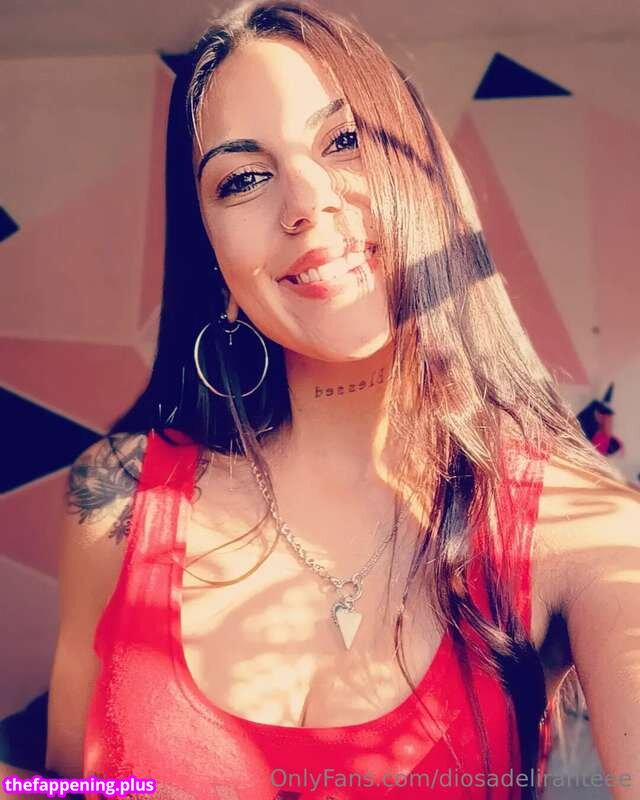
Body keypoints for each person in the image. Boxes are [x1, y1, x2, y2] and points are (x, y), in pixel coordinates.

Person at [11, 1, 636, 799]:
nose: (307, 202)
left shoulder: (575, 523)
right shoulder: (117, 498)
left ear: (429, 180)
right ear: (213, 257)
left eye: (345, 141)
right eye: (243, 179)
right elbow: (69, 786)